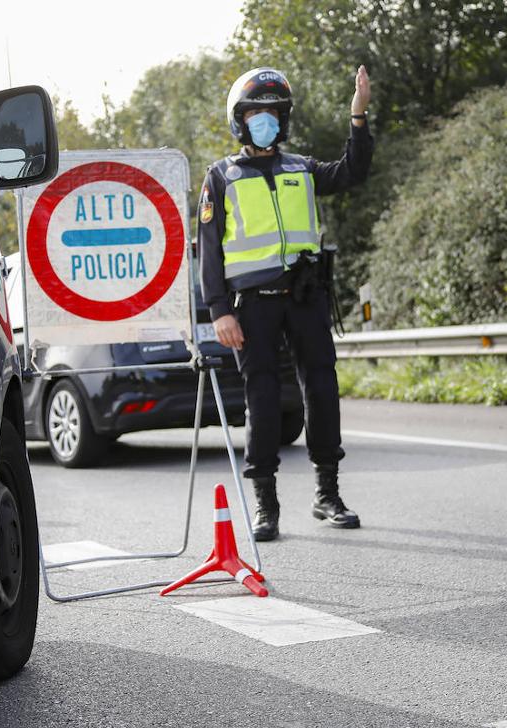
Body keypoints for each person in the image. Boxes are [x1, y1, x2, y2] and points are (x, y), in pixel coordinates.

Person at [198, 65, 373, 541]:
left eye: (274, 113)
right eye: (257, 113)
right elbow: (208, 250)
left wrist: (358, 117)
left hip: (305, 296)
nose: (266, 121)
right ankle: (265, 505)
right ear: (240, 120)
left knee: (321, 391)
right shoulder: (221, 177)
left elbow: (353, 171)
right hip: (251, 306)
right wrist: (219, 310)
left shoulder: (302, 169)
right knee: (263, 401)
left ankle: (327, 495)